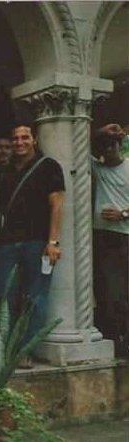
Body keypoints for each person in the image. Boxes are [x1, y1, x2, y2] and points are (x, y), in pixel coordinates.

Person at [0, 123, 65, 367]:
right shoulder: (7, 171)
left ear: (34, 139)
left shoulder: (49, 167)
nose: (20, 142)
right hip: (8, 244)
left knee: (35, 297)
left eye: (25, 137)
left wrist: (53, 241)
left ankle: (24, 350)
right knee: (5, 296)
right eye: (16, 138)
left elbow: (57, 205)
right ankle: (4, 351)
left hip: (38, 243)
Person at [91, 123, 129, 356]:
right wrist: (102, 132)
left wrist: (122, 214)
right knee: (108, 290)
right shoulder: (98, 169)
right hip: (103, 238)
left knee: (124, 291)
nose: (109, 151)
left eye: (112, 145)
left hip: (125, 235)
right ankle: (116, 339)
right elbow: (74, 146)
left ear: (119, 146)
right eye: (105, 147)